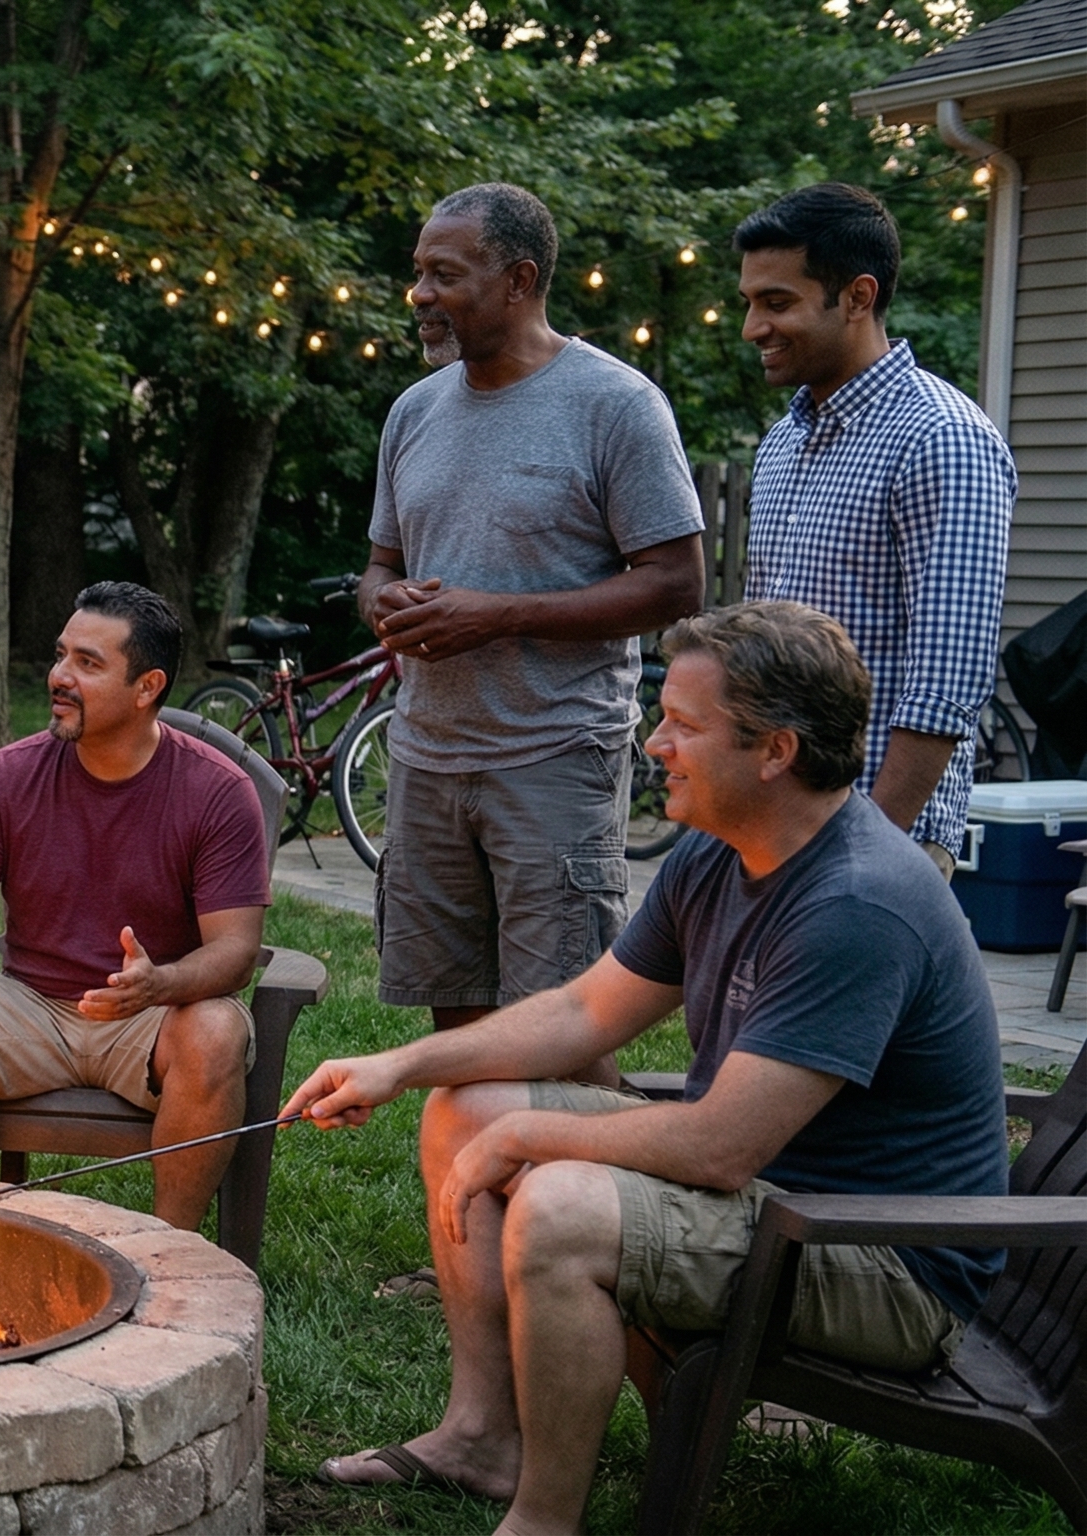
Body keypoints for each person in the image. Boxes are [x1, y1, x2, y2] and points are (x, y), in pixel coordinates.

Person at [287, 602, 1006, 1535]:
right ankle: (482, 1438)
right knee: (465, 1109)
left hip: (880, 1260)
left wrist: (532, 1136)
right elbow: (586, 1011)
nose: (654, 743)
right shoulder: (720, 851)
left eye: (683, 725)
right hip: (776, 1202)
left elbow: (719, 1148)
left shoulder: (856, 904)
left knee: (560, 1208)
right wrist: (400, 1065)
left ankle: (544, 1522)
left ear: (776, 751)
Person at [364, 181, 707, 1049]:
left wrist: (499, 616)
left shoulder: (616, 404)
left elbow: (677, 584)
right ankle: (471, 1149)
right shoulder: (413, 411)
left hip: (554, 754)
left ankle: (570, 1151)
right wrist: (382, 602)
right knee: (457, 1027)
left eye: (445, 275)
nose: (420, 294)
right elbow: (379, 567)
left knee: (560, 1033)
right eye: (419, 272)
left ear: (519, 280)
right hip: (426, 755)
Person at [0, 583, 269, 1226]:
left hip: (155, 1014)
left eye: (88, 663)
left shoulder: (217, 791)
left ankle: (173, 1250)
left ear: (147, 687)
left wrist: (161, 984)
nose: (60, 676)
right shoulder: (11, 775)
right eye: (62, 655)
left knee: (217, 1031)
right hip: (32, 1005)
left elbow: (235, 950)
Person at [735, 181, 1017, 875]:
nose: (752, 327)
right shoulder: (782, 443)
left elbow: (946, 682)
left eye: (777, 303)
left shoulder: (942, 438)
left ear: (858, 297)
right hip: (772, 821)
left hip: (876, 837)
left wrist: (868, 848)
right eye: (749, 303)